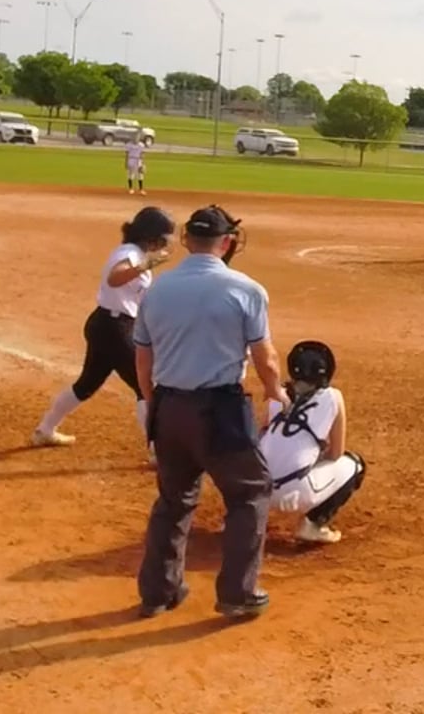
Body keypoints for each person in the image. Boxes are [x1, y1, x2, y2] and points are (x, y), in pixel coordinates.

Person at [135, 204, 285, 621]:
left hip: (169, 407)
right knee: (249, 493)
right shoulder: (245, 289)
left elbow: (143, 360)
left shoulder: (156, 289)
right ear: (227, 242)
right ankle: (237, 593)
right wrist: (275, 391)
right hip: (219, 411)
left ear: (186, 240)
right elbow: (266, 357)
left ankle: (158, 593)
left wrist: (153, 403)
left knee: (174, 499)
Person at [32, 206, 175, 451]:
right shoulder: (129, 253)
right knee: (145, 386)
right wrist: (145, 266)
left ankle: (45, 430)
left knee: (86, 384)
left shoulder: (136, 254)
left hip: (107, 325)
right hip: (113, 328)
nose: (164, 243)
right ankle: (157, 452)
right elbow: (115, 277)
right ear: (150, 235)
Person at [259, 340, 366, 545]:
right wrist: (313, 456)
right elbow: (336, 453)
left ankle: (246, 519)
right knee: (355, 464)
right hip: (294, 494)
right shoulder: (333, 397)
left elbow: (262, 434)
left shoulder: (277, 393)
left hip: (256, 489)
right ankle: (313, 525)